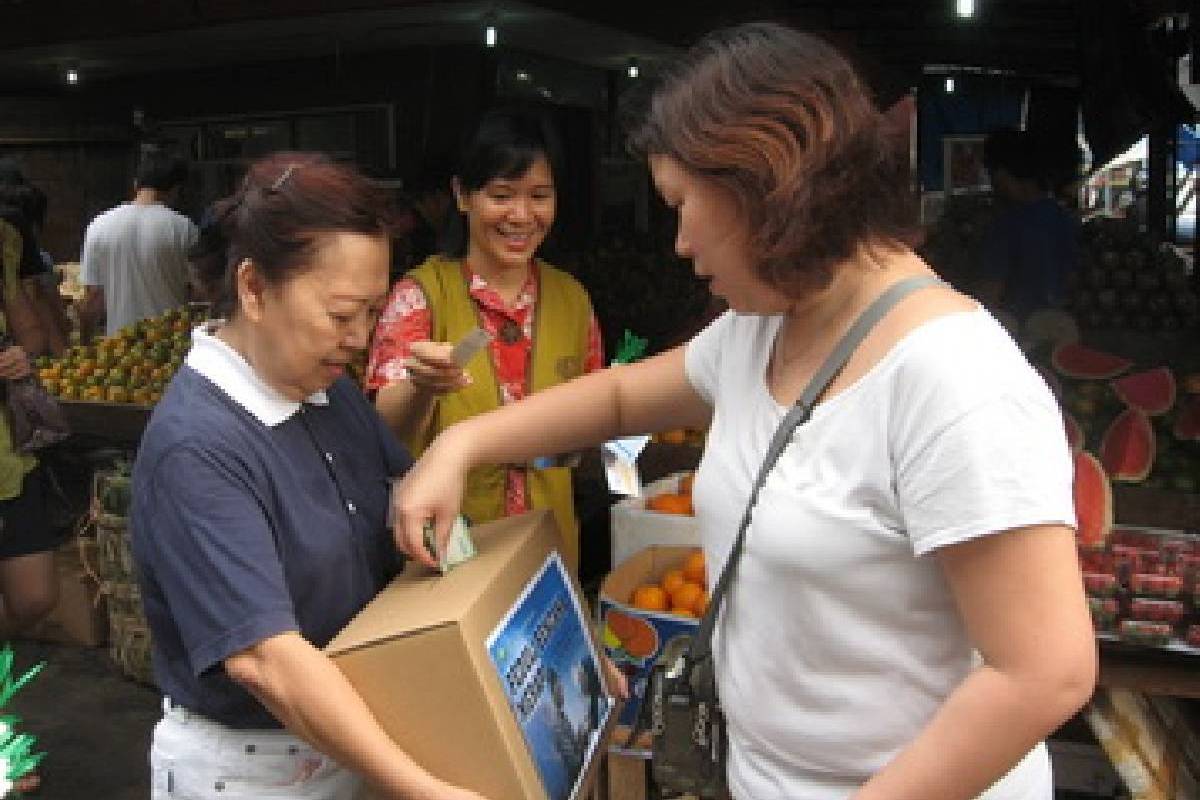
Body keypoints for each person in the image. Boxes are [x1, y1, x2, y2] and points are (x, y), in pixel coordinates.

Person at [394, 23, 1096, 800]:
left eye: (684, 206)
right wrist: (461, 446)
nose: (681, 243)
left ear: (768, 182)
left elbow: (1044, 673)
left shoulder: (954, 379)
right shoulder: (765, 327)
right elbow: (622, 396)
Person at [129, 152, 485, 800]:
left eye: (372, 314)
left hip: (356, 741)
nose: (359, 337)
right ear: (254, 289)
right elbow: (269, 662)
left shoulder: (325, 388)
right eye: (340, 312)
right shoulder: (198, 449)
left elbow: (407, 501)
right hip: (253, 771)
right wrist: (430, 791)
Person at [366, 109, 603, 574]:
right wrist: (421, 386)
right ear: (462, 196)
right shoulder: (420, 297)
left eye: (539, 196)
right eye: (501, 195)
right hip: (452, 553)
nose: (521, 215)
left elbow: (594, 424)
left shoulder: (571, 299)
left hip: (550, 550)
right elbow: (384, 434)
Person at [79, 148, 197, 341]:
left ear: (136, 184)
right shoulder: (184, 229)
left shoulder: (98, 225)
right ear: (176, 189)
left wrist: (84, 342)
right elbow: (197, 290)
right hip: (170, 345)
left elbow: (94, 298)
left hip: (120, 350)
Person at [977, 129, 1081, 322]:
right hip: (1055, 326)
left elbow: (990, 293)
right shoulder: (1064, 218)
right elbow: (1071, 280)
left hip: (1013, 333)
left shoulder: (1005, 225)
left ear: (1001, 174)